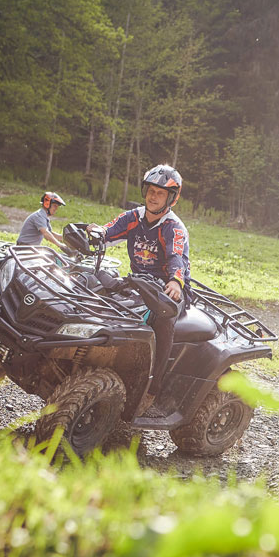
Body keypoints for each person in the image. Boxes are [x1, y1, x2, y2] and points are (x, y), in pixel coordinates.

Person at [88, 164, 189, 406]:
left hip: (167, 288)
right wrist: (96, 232)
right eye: (151, 191)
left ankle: (152, 390)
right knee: (98, 293)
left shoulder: (173, 227)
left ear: (171, 199)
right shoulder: (133, 217)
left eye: (160, 193)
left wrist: (175, 282)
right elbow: (109, 230)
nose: (153, 197)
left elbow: (177, 258)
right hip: (138, 282)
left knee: (163, 323)